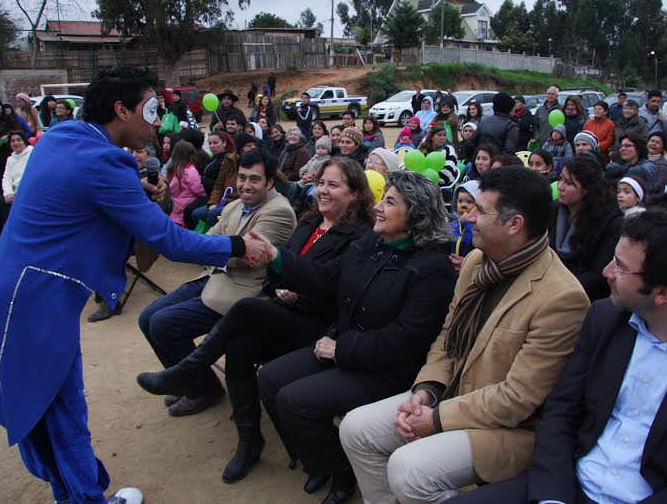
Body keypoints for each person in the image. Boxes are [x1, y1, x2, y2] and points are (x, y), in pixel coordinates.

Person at [0, 66, 273, 504]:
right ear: (120, 109)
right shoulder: (103, 161)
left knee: (46, 410)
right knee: (59, 411)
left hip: (15, 295)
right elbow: (167, 239)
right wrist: (238, 244)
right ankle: (87, 498)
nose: (156, 122)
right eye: (150, 109)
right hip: (34, 306)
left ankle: (76, 494)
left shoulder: (64, 136)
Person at [449, 209, 667, 504]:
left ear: (662, 293)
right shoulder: (604, 319)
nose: (606, 272)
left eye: (620, 266)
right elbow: (562, 412)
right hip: (569, 486)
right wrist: (553, 498)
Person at [340, 166, 590, 504]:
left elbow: (517, 399)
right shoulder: (476, 262)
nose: (468, 217)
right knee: (356, 429)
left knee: (409, 469)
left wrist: (438, 418)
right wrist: (427, 390)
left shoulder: (561, 297)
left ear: (514, 224)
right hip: (451, 396)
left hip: (510, 429)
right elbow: (448, 337)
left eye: (480, 210)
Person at [136, 158, 375, 482]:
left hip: (319, 326)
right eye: (321, 183)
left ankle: (188, 369)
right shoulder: (310, 222)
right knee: (238, 347)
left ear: (356, 194)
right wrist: (282, 286)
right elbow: (275, 273)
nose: (323, 190)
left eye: (333, 185)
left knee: (247, 308)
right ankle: (250, 441)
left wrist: (290, 282)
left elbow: (331, 282)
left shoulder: (359, 236)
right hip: (285, 312)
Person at [237, 172, 458, 504]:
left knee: (295, 401)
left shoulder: (433, 268)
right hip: (346, 349)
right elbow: (327, 279)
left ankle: (341, 472)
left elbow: (405, 341)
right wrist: (277, 258)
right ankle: (318, 458)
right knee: (269, 378)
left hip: (386, 369)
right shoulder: (372, 242)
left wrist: (341, 349)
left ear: (416, 214)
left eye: (390, 202)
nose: (379, 208)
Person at [138, 148, 296, 416]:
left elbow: (252, 257)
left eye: (254, 179)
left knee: (164, 324)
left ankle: (203, 389)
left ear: (270, 182)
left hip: (243, 292)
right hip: (214, 277)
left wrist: (214, 250)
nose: (246, 185)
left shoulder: (279, 211)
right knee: (147, 317)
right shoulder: (235, 205)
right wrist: (218, 249)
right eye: (242, 177)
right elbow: (209, 240)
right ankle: (188, 381)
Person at [552, 155, 623, 301]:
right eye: (561, 179)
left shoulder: (611, 222)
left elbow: (598, 275)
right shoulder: (553, 211)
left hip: (584, 296)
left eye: (569, 183)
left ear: (587, 189)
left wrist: (558, 289)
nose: (560, 186)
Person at [0, 131, 33, 248]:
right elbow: (6, 177)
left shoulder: (32, 154)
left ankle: (6, 240)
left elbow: (32, 177)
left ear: (24, 141)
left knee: (5, 205)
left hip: (28, 194)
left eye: (18, 140)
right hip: (13, 194)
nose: (16, 143)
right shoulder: (11, 158)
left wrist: (17, 194)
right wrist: (8, 194)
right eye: (12, 141)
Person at [168, 141, 206, 228]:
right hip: (188, 202)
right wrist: (204, 195)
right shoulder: (190, 170)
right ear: (190, 155)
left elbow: (171, 188)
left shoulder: (173, 169)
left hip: (176, 203)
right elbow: (196, 188)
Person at [447, 179, 479, 273]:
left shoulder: (479, 227)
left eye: (469, 202)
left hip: (470, 270)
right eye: (460, 201)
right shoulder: (453, 224)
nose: (463, 205)